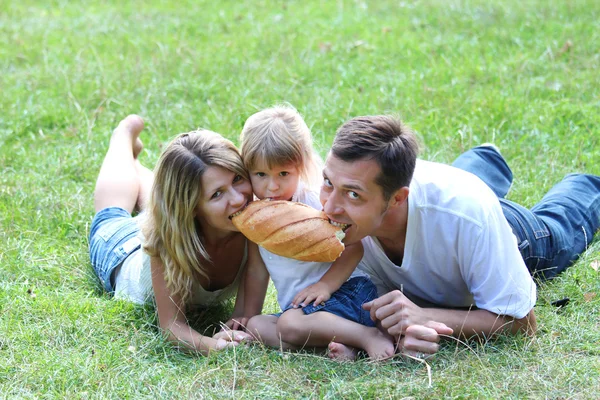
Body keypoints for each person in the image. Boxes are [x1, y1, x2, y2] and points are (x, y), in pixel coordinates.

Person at [319, 115, 600, 357]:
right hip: (449, 204)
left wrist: (427, 316)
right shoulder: (324, 208)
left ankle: (585, 185)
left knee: (556, 229)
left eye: (353, 194)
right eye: (328, 183)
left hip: (507, 229)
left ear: (396, 199)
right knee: (458, 194)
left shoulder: (465, 215)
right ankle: (486, 158)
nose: (329, 208)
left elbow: (523, 322)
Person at [239, 106, 396, 360]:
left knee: (289, 325)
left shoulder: (312, 204)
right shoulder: (257, 218)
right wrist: (245, 315)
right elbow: (256, 271)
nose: (273, 186)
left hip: (346, 292)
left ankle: (369, 336)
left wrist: (325, 285)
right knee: (257, 327)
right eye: (260, 174)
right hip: (305, 311)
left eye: (283, 173)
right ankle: (339, 347)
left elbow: (355, 247)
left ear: (300, 166)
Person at [89, 115, 254, 354]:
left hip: (178, 217)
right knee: (112, 212)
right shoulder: (167, 243)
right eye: (217, 194)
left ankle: (135, 166)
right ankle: (123, 138)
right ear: (191, 208)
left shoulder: (253, 221)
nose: (239, 199)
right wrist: (214, 346)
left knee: (156, 204)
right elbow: (171, 327)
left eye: (237, 178)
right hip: (121, 250)